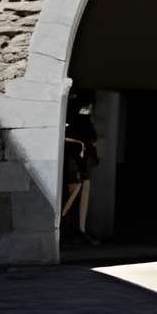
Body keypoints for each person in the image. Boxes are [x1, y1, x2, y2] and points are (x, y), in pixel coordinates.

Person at [60, 101, 101, 246]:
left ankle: (78, 230)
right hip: (75, 166)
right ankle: (70, 230)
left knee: (79, 195)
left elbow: (92, 138)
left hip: (80, 166)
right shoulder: (75, 122)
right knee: (72, 196)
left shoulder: (77, 120)